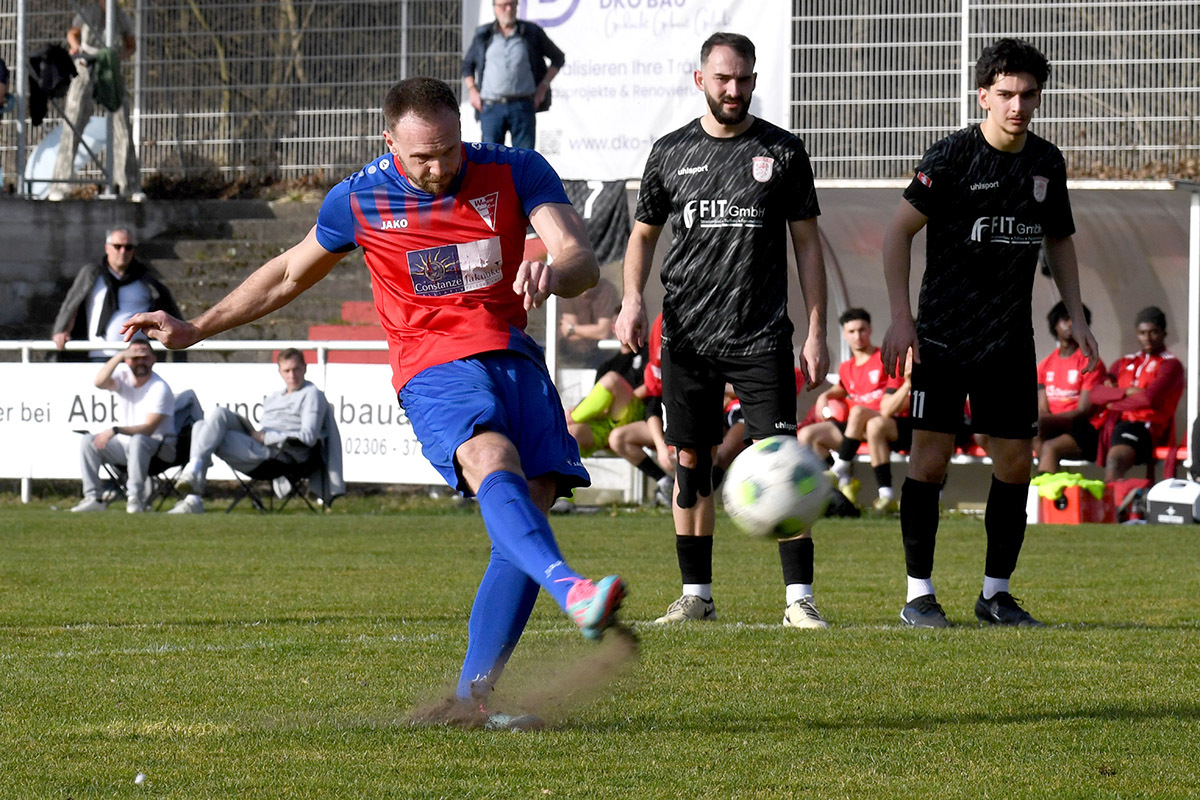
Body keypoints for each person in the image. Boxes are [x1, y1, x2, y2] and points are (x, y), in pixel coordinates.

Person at [123, 76, 626, 729]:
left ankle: (473, 700)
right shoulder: (358, 199)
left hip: (514, 357)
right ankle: (574, 590)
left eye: (449, 150)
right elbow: (285, 274)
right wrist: (196, 327)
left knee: (526, 515)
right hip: (435, 365)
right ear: (388, 143)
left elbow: (580, 257)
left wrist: (553, 271)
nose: (440, 166)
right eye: (421, 157)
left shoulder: (515, 169)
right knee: (490, 459)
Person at [880, 38, 1098, 629]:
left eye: (1028, 94)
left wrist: (1075, 313)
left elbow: (1060, 240)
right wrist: (902, 317)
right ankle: (919, 595)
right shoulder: (951, 156)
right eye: (1005, 94)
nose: (1017, 105)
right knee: (928, 463)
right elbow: (897, 234)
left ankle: (995, 595)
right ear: (983, 95)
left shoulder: (1046, 163)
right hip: (944, 338)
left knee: (1015, 466)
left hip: (1007, 341)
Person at [615, 33, 830, 629]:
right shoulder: (669, 152)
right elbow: (642, 236)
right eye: (723, 79)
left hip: (761, 336)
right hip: (686, 338)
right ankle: (696, 595)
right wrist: (633, 299)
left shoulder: (782, 151)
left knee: (783, 458)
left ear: (755, 80)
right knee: (690, 460)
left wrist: (816, 330)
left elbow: (807, 244)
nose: (734, 90)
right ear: (700, 80)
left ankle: (799, 601)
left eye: (744, 79)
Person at [168, 348, 335, 514]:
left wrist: (267, 437)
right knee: (211, 420)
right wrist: (261, 436)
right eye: (287, 370)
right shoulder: (275, 397)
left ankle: (193, 495)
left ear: (305, 368)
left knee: (204, 431)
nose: (292, 375)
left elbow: (309, 437)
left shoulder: (312, 394)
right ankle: (193, 473)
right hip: (259, 443)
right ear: (280, 372)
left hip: (279, 456)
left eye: (296, 369)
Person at [798, 308, 901, 505]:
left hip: (882, 424)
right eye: (852, 332)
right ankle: (844, 484)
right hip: (856, 430)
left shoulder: (884, 358)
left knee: (858, 411)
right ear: (844, 334)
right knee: (807, 436)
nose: (857, 336)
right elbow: (840, 388)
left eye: (861, 330)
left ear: (870, 330)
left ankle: (840, 469)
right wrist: (824, 397)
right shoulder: (846, 367)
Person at [46, 0, 144, 201]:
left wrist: (116, 57)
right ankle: (60, 185)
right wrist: (77, 49)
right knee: (73, 122)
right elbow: (73, 33)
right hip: (86, 65)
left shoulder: (121, 16)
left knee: (122, 126)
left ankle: (129, 186)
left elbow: (131, 45)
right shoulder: (87, 11)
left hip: (109, 68)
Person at [71, 338, 176, 514]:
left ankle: (135, 499)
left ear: (153, 359)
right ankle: (93, 498)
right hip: (125, 449)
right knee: (89, 441)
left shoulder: (160, 387)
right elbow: (99, 382)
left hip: (159, 450)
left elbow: (149, 429)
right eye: (134, 357)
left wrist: (116, 430)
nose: (140, 361)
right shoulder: (123, 378)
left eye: (144, 357)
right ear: (127, 360)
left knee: (138, 440)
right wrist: (119, 355)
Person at [51, 227, 183, 361]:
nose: (123, 251)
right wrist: (61, 330)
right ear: (107, 248)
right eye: (117, 246)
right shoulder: (93, 275)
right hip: (99, 354)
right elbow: (72, 305)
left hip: (136, 357)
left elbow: (166, 310)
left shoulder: (146, 279)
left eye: (128, 247)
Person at [1089, 306, 1183, 481]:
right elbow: (1095, 394)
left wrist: (1112, 401)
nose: (1147, 338)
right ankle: (1118, 501)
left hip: (1147, 427)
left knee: (1115, 460)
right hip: (1114, 425)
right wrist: (1129, 392)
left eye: (1153, 332)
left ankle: (1115, 504)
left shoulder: (1171, 365)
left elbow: (1149, 398)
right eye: (1142, 333)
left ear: (1163, 332)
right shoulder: (1124, 362)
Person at [461, 0, 564, 150]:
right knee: (490, 158)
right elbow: (467, 65)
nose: (508, 9)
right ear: (495, 8)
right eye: (503, 5)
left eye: (512, 4)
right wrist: (472, 91)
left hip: (523, 106)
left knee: (524, 158)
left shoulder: (531, 32)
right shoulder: (484, 35)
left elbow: (558, 57)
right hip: (491, 108)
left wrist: (543, 87)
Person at [1034, 301, 1107, 472]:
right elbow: (1043, 408)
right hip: (1052, 427)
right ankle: (1042, 489)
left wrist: (1043, 421)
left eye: (1075, 320)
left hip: (1085, 430)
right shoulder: (1045, 365)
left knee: (1048, 445)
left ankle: (1048, 492)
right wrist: (1041, 420)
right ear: (1055, 324)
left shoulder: (1090, 362)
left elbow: (1083, 412)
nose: (1070, 324)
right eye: (1065, 319)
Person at [863, 348, 914, 514]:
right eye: (907, 353)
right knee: (875, 425)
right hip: (907, 428)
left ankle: (937, 499)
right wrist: (907, 384)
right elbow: (886, 409)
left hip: (936, 425)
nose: (909, 359)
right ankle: (886, 495)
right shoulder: (900, 372)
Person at [558, 275, 621, 367]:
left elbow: (603, 332)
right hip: (569, 356)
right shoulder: (568, 292)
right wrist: (593, 331)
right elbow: (569, 335)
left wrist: (572, 329)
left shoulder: (605, 290)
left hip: (601, 356)